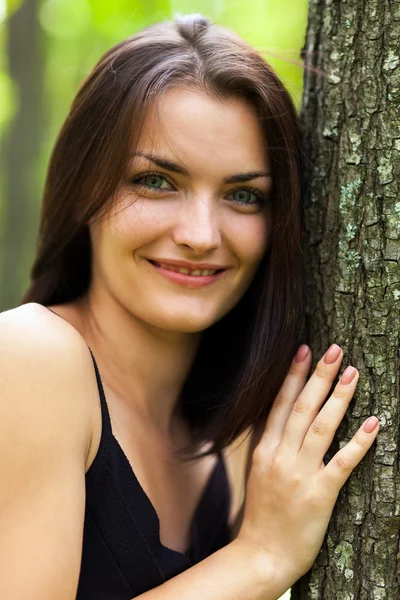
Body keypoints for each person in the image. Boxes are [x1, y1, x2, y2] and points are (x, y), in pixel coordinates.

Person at [0, 13, 379, 600]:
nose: (201, 234)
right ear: (83, 189)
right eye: (156, 181)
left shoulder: (232, 435)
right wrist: (261, 556)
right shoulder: (29, 358)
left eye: (243, 195)